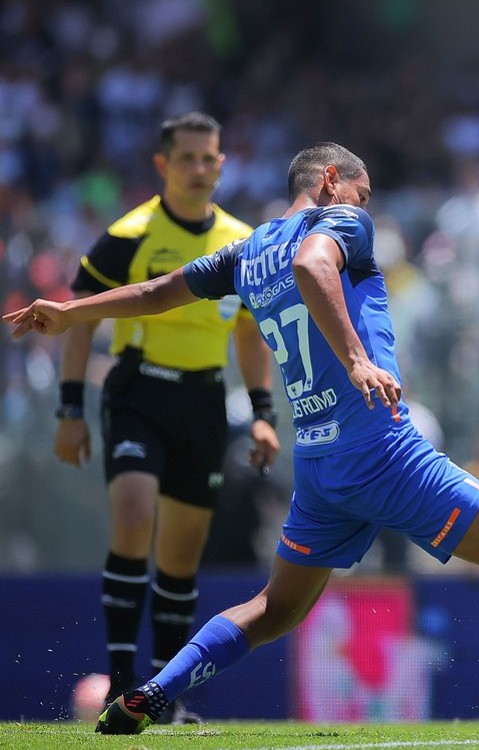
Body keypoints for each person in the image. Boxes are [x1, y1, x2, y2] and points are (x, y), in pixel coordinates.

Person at [7, 142, 479, 735]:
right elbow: (312, 263)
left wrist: (72, 312)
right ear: (330, 181)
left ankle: (155, 690)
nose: (366, 204)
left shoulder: (245, 251)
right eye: (363, 190)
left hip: (320, 466)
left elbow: (157, 292)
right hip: (382, 449)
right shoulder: (339, 223)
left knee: (275, 609)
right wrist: (354, 357)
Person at [53, 111, 280, 723]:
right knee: (132, 519)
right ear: (162, 165)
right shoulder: (129, 234)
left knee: (180, 558)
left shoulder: (241, 239)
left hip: (203, 402)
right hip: (136, 393)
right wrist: (69, 408)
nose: (200, 169)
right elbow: (80, 317)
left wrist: (263, 414)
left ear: (222, 164)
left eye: (210, 158)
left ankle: (163, 698)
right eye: (187, 159)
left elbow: (250, 335)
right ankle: (121, 683)